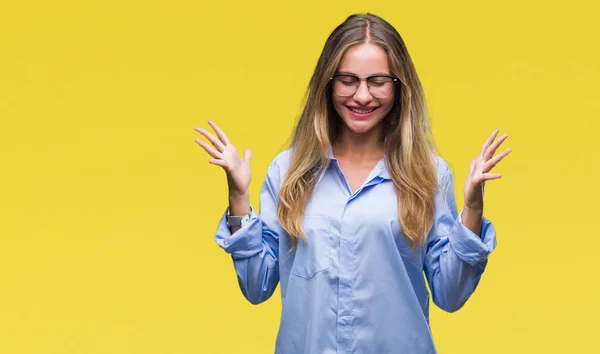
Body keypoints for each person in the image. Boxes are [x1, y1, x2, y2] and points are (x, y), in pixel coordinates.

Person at [195, 12, 510, 354]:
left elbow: (451, 295)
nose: (362, 96)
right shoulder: (288, 172)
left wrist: (473, 210)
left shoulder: (428, 174)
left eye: (377, 81)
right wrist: (238, 197)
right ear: (328, 84)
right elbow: (257, 287)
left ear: (398, 86)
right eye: (348, 80)